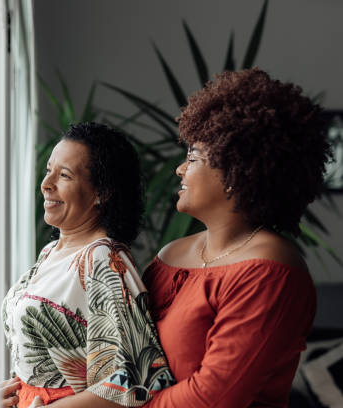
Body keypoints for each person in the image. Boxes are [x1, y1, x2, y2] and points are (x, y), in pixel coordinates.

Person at [142, 68, 331, 407]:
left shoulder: (270, 271)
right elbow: (118, 351)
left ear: (234, 170)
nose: (180, 169)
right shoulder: (169, 255)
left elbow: (214, 398)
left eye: (192, 157)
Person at [0, 123, 175, 408]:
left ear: (101, 192)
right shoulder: (50, 252)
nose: (46, 183)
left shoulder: (104, 260)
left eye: (64, 175)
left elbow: (138, 380)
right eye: (48, 170)